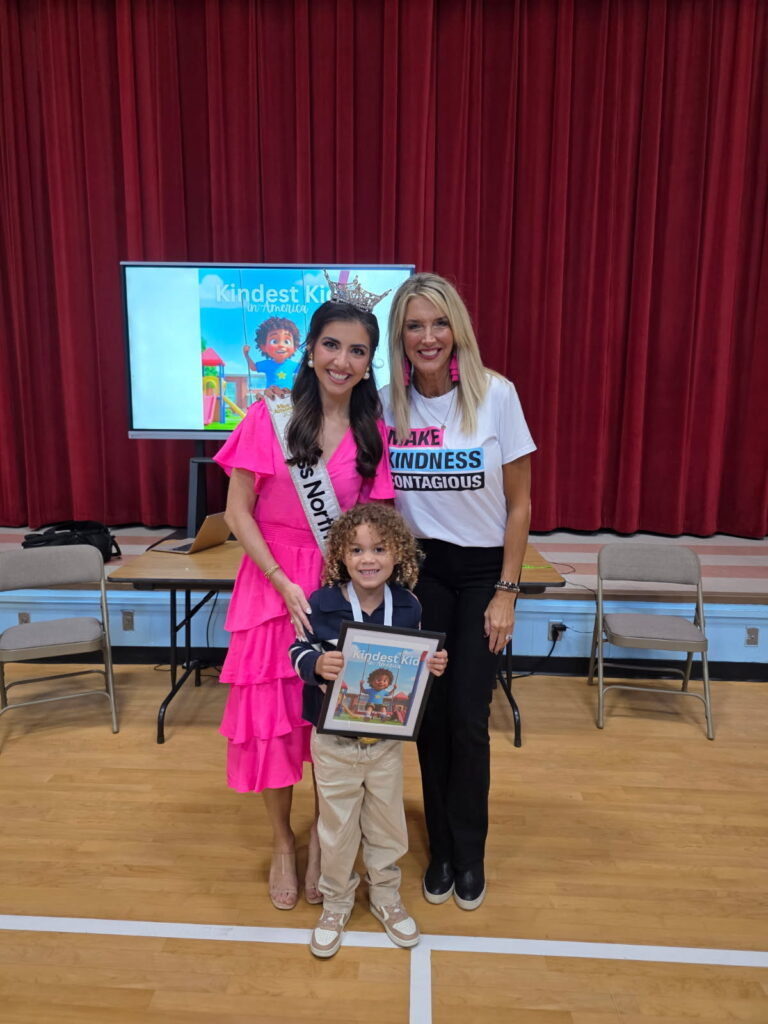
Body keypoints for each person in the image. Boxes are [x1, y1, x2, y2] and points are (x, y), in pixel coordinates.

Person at [213, 301, 394, 912]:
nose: (342, 360)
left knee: (331, 722)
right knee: (274, 722)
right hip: (270, 591)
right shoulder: (271, 418)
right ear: (310, 349)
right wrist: (279, 581)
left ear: (369, 364)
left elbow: (375, 524)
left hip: (336, 594)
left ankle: (324, 838)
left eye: (357, 351)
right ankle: (282, 843)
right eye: (332, 346)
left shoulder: (375, 434)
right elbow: (238, 512)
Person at [380, 272, 536, 911]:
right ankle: (439, 848)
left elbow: (522, 503)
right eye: (414, 326)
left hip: (479, 575)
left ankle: (469, 853)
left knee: (469, 720)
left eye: (438, 324)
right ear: (400, 337)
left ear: (457, 330)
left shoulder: (497, 395)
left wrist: (507, 590)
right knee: (427, 718)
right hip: (419, 575)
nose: (427, 337)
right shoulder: (388, 402)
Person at [289, 503, 448, 958]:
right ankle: (336, 902)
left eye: (379, 548)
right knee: (336, 829)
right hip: (334, 741)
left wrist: (432, 664)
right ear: (341, 553)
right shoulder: (322, 602)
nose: (368, 558)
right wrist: (317, 663)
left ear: (397, 552)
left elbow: (413, 665)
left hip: (384, 743)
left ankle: (385, 896)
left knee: (387, 824)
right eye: (357, 550)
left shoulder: (409, 605)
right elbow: (297, 652)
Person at [243, 316, 301, 388]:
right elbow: (253, 367)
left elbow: (306, 369)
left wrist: (309, 353)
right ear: (263, 347)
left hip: (288, 396)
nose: (281, 345)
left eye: (286, 341)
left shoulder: (292, 365)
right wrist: (246, 355)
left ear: (294, 348)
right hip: (271, 396)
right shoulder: (267, 364)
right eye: (274, 341)